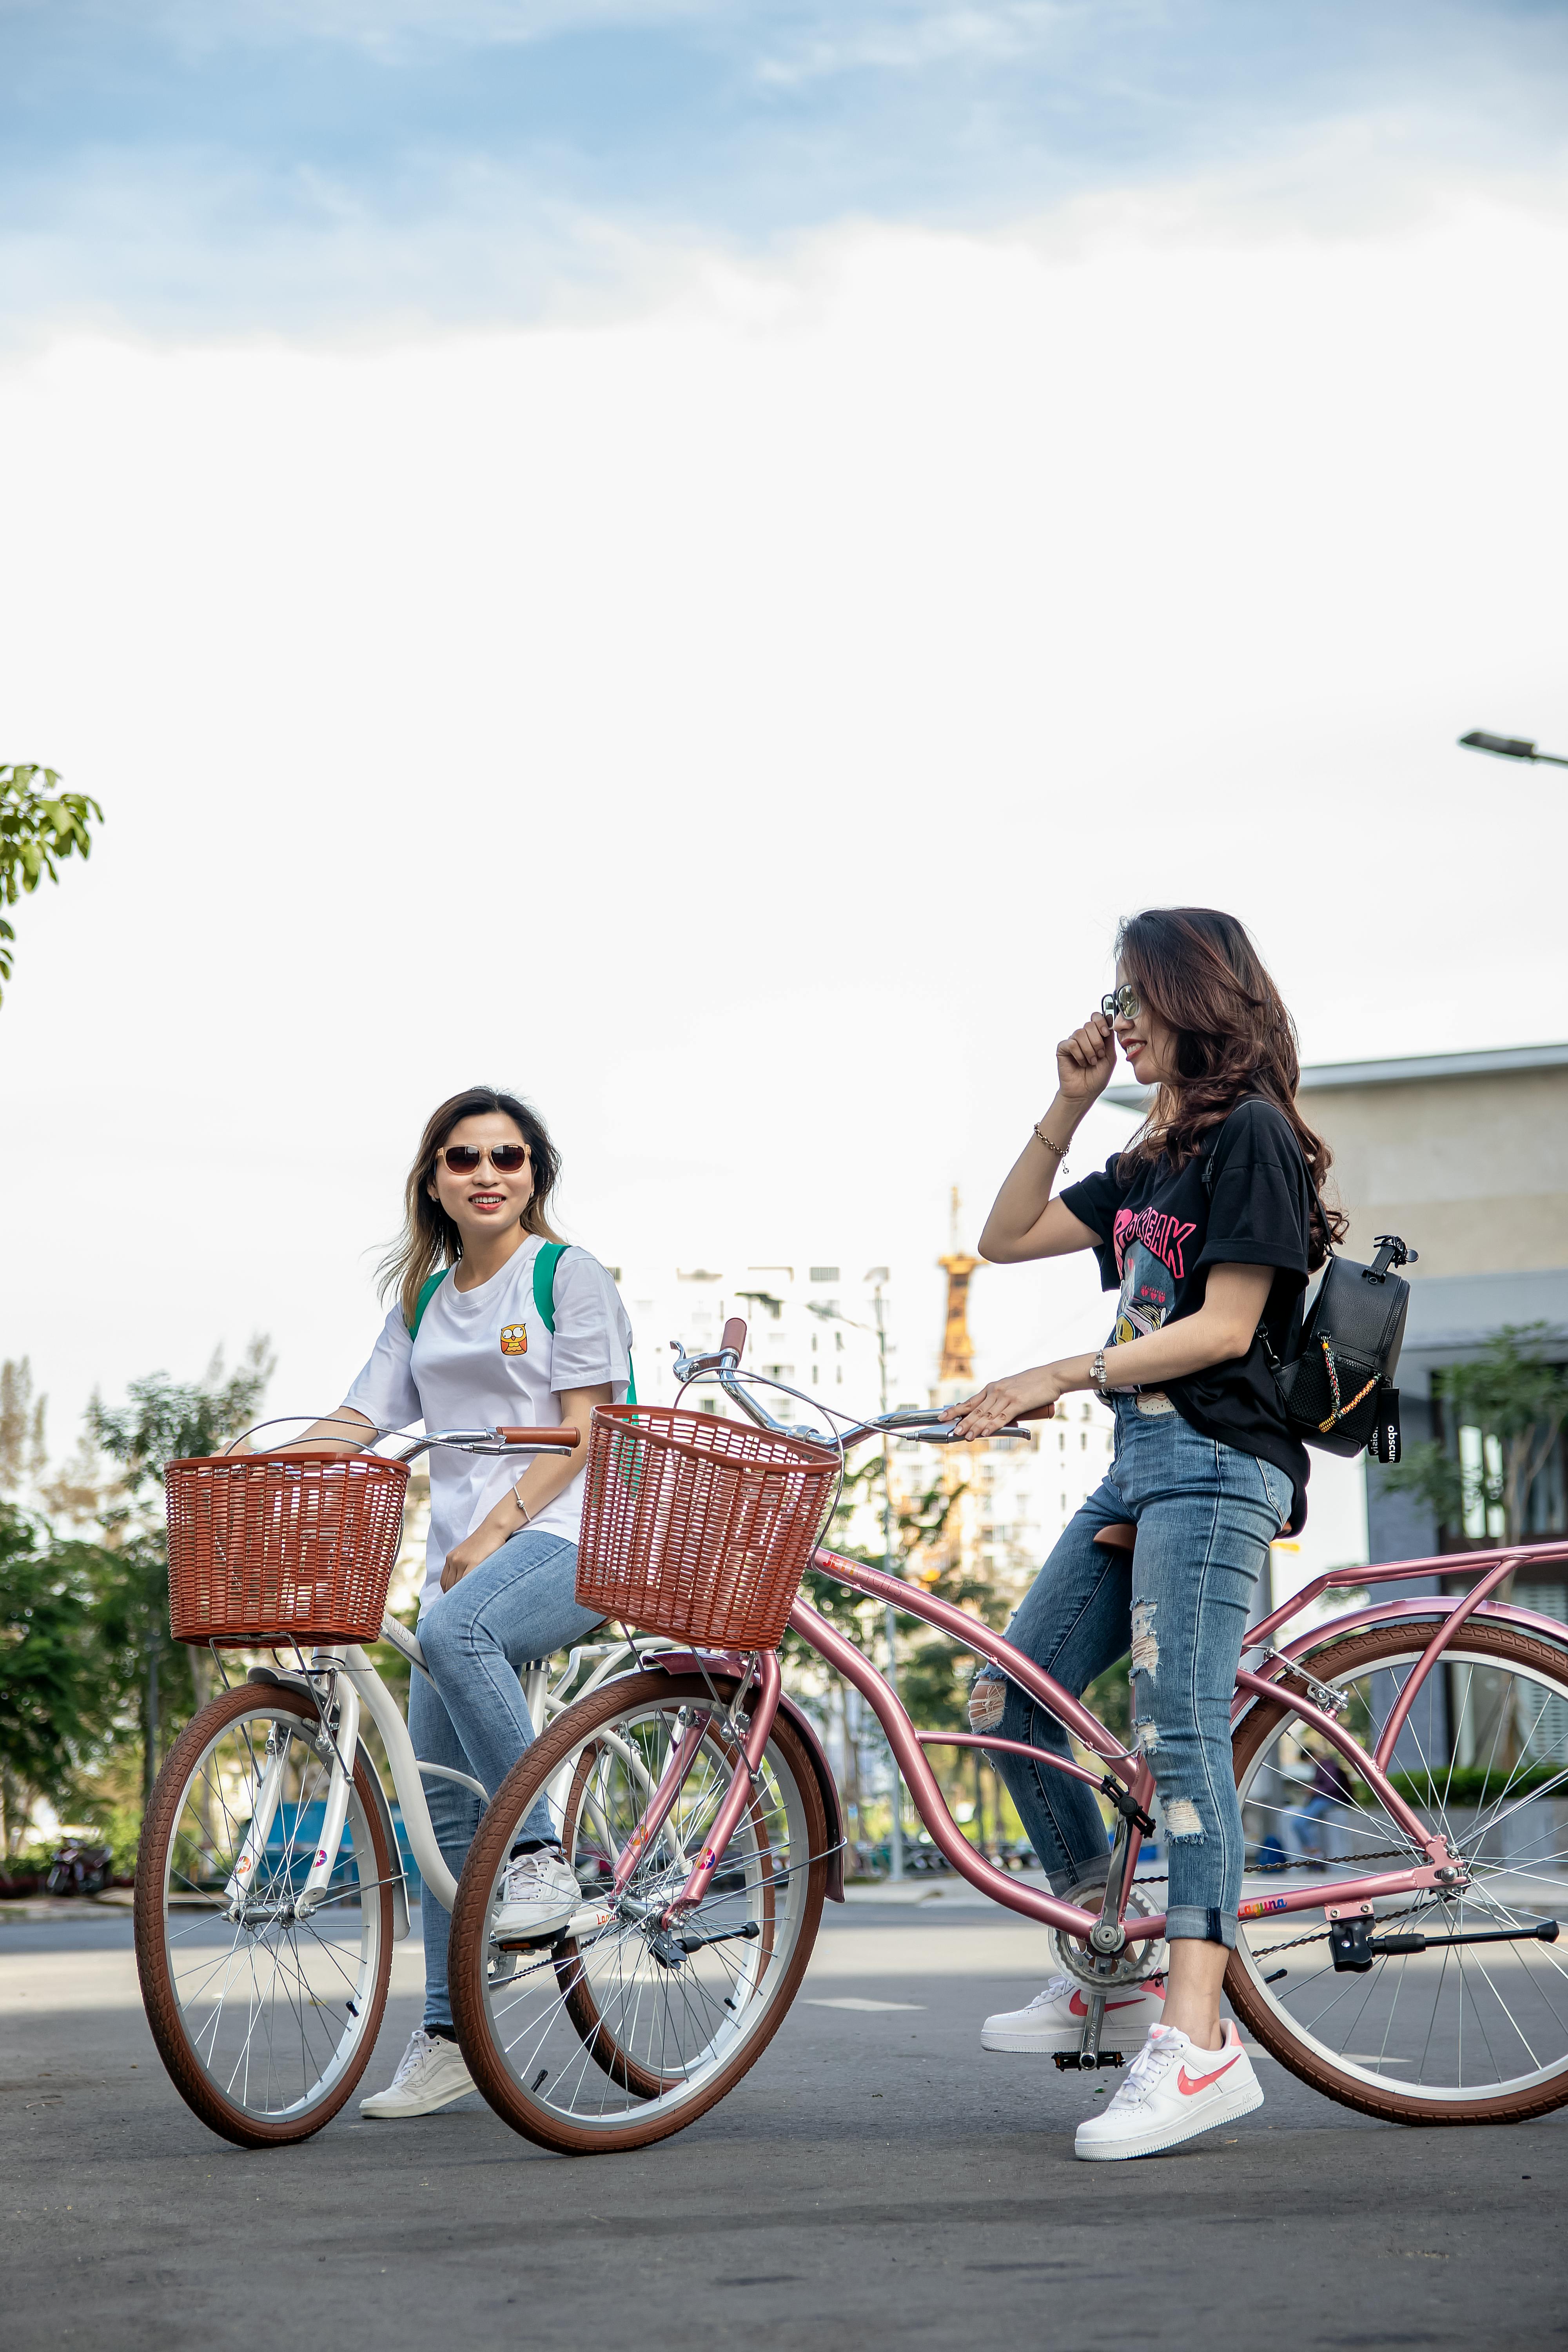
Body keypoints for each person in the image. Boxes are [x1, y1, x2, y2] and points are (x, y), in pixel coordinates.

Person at [946, 907, 1342, 2161]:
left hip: (1220, 1461)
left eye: (1134, 996)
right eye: (1111, 997)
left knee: (1180, 1737)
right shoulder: (1154, 1154)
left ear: (1193, 997)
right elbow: (1001, 1238)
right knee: (1015, 1698)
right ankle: (1106, 1965)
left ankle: (1200, 2046)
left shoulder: (1257, 1140)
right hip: (1141, 1463)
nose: (1118, 1018)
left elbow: (1227, 1328)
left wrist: (1061, 1371)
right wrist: (1068, 1100)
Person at [277, 1085, 632, 2120]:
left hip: (569, 1541)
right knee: (434, 1801)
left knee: (452, 1629)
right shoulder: (425, 1302)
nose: (487, 1175)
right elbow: (361, 1416)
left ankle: (541, 1860)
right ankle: (446, 2035)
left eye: (509, 1158)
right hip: (466, 1571)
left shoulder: (568, 1278)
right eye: (464, 1158)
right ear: (433, 1178)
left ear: (536, 1175)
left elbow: (583, 1431)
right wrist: (264, 1463)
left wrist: (490, 1532)